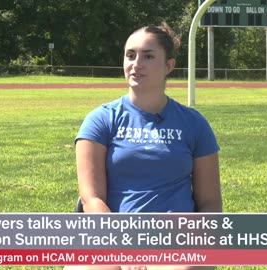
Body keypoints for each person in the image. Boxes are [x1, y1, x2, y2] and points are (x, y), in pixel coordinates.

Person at [70, 22, 222, 270]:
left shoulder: (194, 124)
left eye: (148, 56)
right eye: (130, 55)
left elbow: (210, 203)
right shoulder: (101, 119)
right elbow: (91, 198)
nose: (136, 63)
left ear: (169, 66)